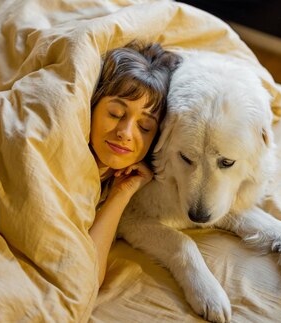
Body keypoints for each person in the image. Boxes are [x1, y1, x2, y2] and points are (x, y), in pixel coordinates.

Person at [88, 42, 181, 287]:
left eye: (145, 127)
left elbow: (85, 276)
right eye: (116, 114)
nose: (125, 133)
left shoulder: (112, 182)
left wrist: (121, 194)